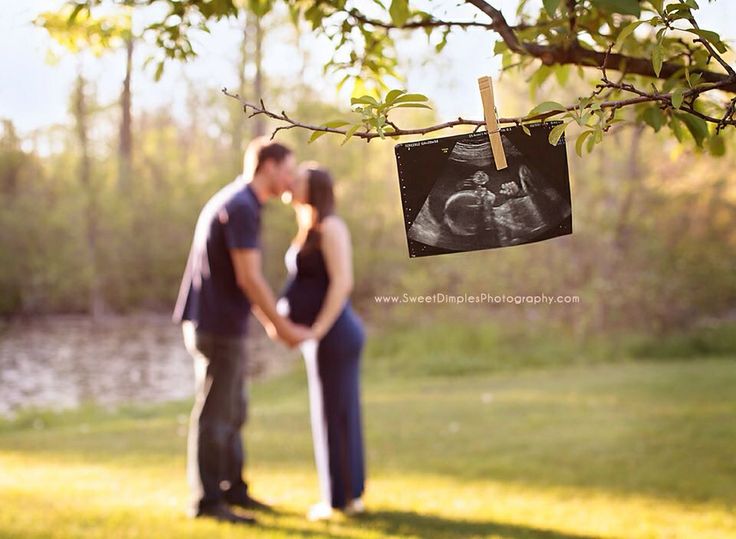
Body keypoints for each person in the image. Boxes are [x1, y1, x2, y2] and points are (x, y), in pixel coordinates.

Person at [173, 138, 313, 524]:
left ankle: (233, 489)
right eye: (288, 168)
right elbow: (249, 278)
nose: (291, 178)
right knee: (217, 415)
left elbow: (244, 280)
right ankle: (207, 502)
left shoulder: (237, 200)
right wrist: (279, 326)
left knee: (234, 411)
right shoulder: (241, 207)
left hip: (217, 324)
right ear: (268, 166)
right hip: (217, 328)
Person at [277, 163, 367, 521]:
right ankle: (345, 495)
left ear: (313, 189)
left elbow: (342, 284)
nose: (290, 183)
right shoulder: (309, 228)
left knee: (338, 416)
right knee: (331, 414)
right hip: (322, 338)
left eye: (297, 180)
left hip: (336, 335)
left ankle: (340, 499)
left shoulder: (331, 227)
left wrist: (317, 330)